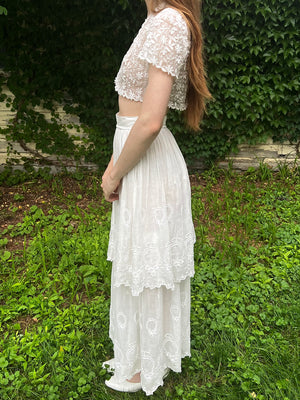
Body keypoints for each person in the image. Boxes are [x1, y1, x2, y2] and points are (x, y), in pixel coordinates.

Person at [101, 0, 211, 395]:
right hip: (136, 155)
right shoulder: (155, 19)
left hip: (146, 161)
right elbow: (131, 116)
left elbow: (149, 121)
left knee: (146, 262)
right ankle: (136, 352)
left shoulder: (168, 22)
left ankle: (144, 366)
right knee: (138, 258)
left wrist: (115, 172)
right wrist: (114, 160)